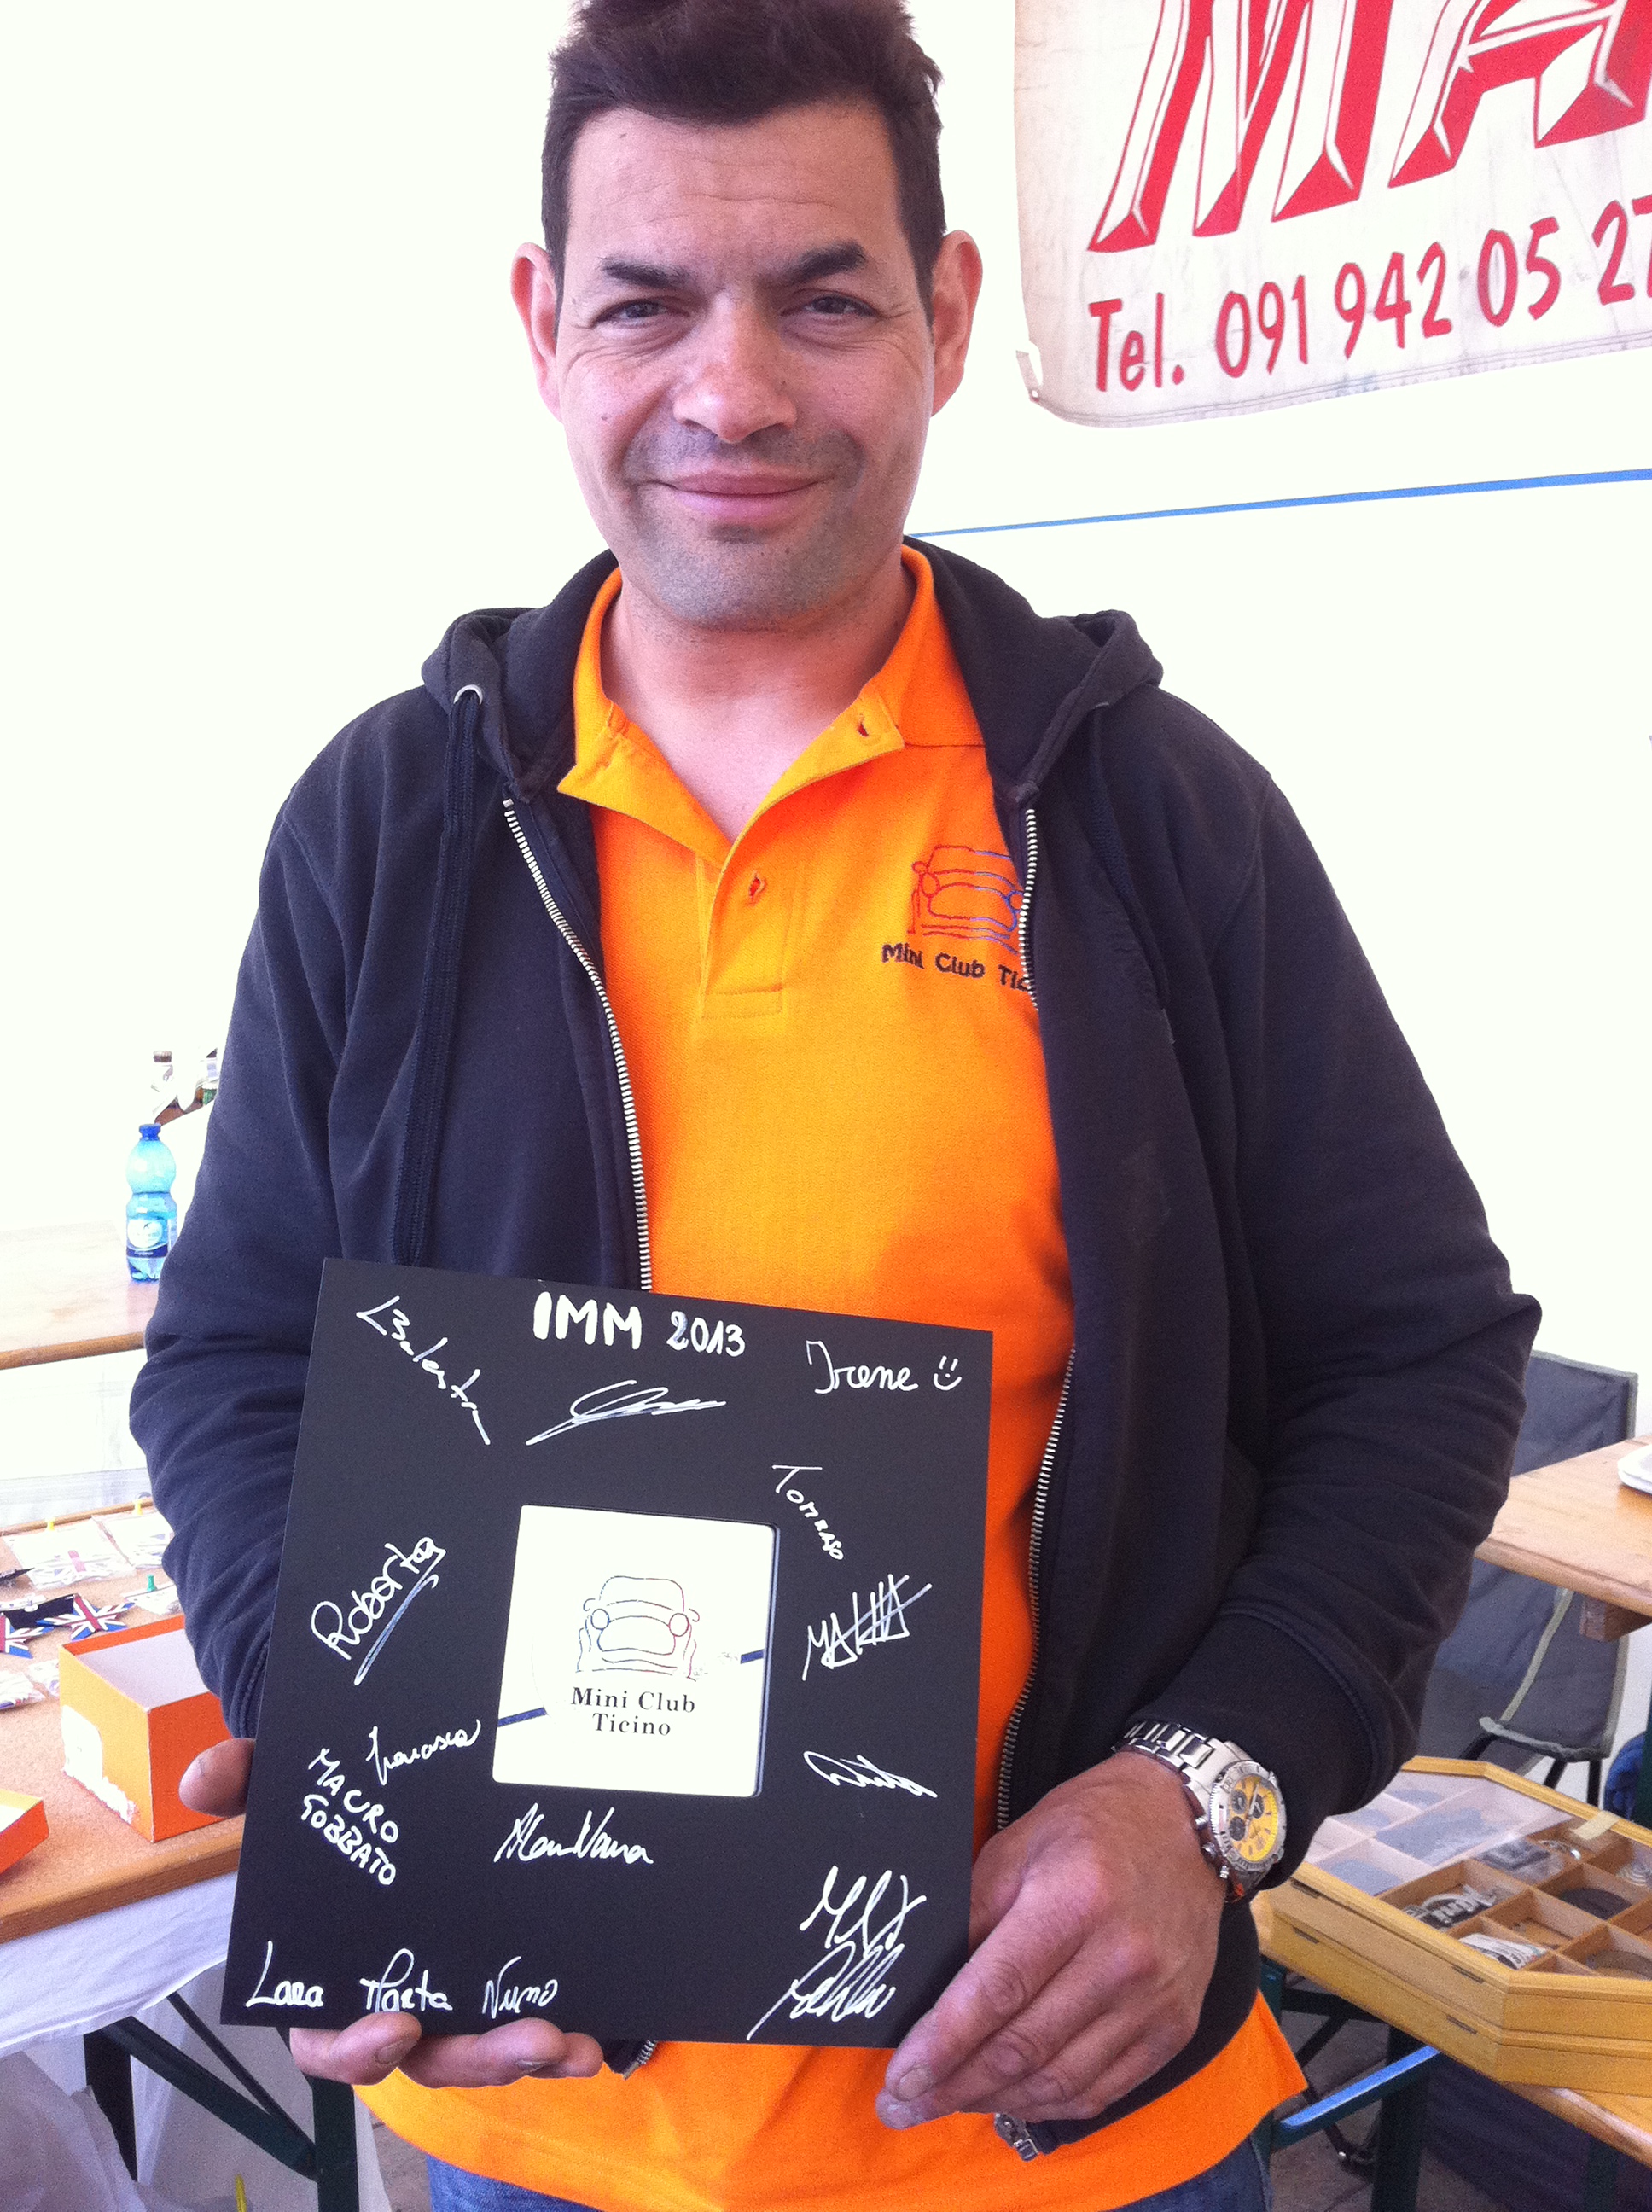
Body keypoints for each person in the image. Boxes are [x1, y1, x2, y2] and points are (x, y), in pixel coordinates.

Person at [130, 3, 1539, 2208]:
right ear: (543, 327)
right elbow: (236, 1359)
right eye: (646, 306)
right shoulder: (393, 825)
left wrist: (1205, 1791)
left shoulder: (1151, 819)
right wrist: (324, 1716)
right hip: (529, 2118)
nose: (735, 392)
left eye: (824, 300)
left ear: (947, 314)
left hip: (1056, 2126)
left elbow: (1418, 1354)